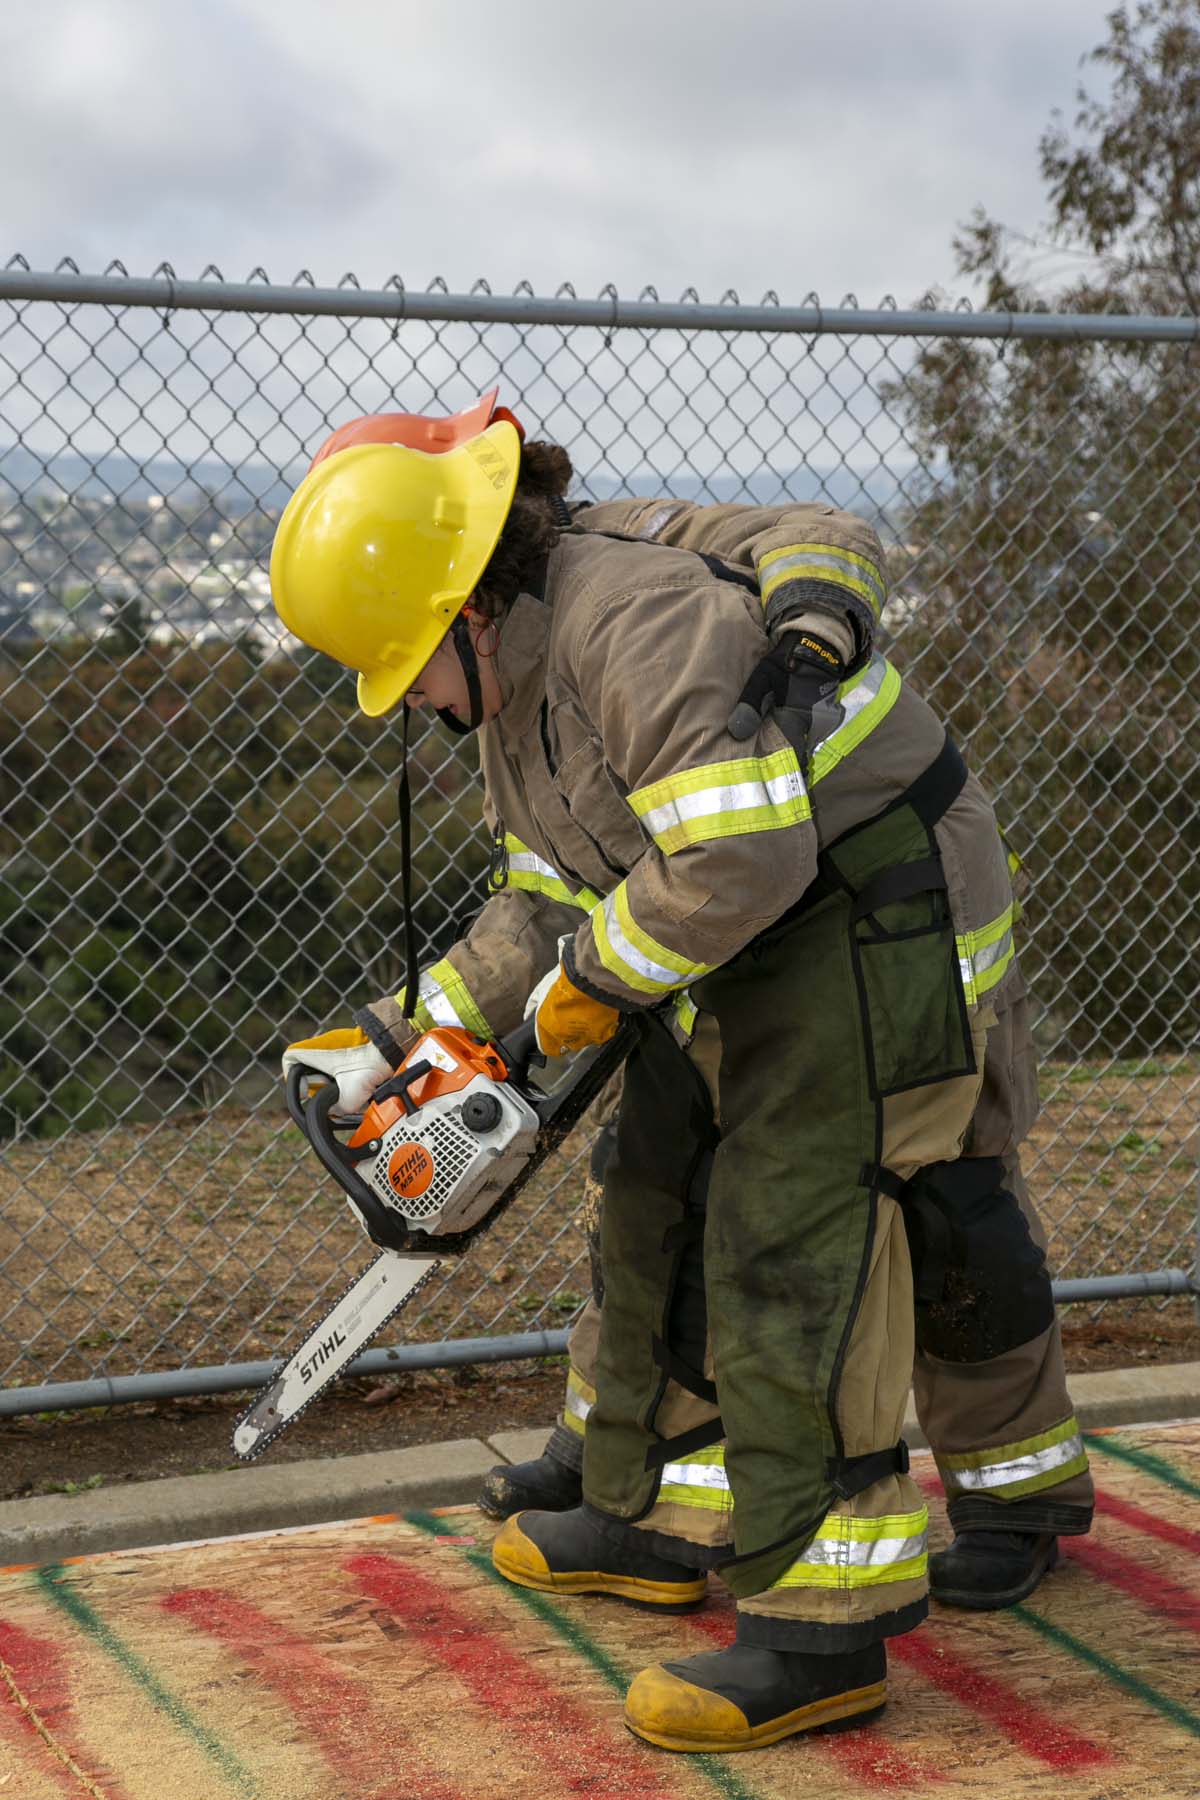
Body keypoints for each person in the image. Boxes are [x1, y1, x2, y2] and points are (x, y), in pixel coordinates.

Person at [274, 390, 1093, 1755]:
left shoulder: (624, 624)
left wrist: (593, 985)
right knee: (654, 1186)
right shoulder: (522, 689)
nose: (405, 701)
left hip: (873, 903)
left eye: (409, 664)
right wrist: (391, 1034)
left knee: (800, 1234)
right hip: (747, 925)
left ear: (469, 611)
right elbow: (548, 888)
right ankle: (653, 1511)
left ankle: (817, 1631)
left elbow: (737, 859)